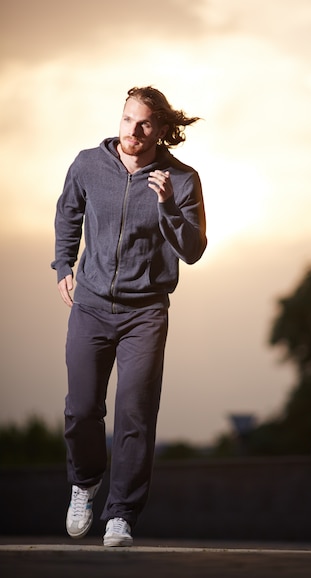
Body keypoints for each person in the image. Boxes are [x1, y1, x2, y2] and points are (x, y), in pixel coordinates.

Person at [51, 86, 207, 547]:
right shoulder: (87, 164)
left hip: (146, 312)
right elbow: (68, 215)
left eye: (143, 124)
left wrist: (168, 208)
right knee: (81, 410)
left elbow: (194, 250)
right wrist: (63, 264)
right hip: (92, 306)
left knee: (136, 413)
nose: (132, 132)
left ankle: (120, 514)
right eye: (126, 120)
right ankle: (85, 483)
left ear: (161, 130)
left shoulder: (181, 179)